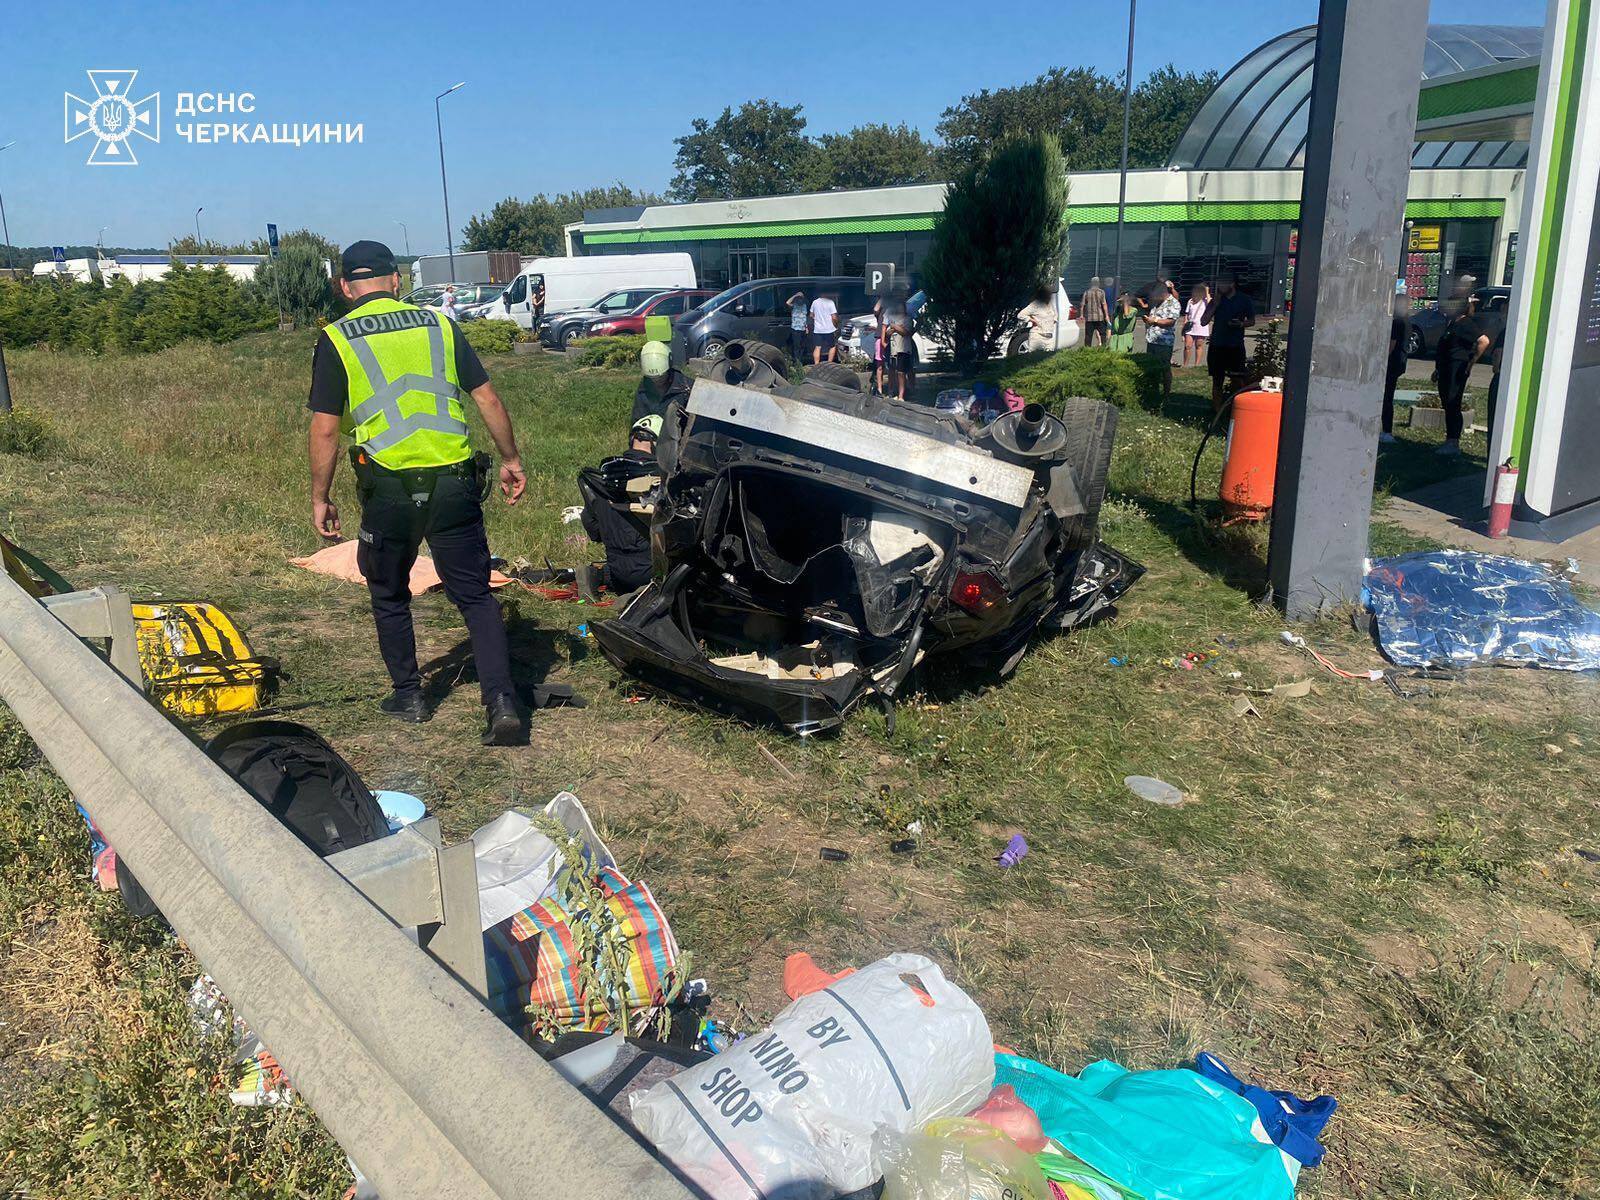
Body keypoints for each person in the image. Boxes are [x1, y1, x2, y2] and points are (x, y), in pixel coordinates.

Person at [306, 241, 526, 745]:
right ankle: (502, 701)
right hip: (454, 483)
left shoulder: (336, 338)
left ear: (345, 287)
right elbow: (486, 397)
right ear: (397, 280)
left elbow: (324, 429)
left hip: (389, 488)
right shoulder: (440, 323)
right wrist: (511, 459)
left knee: (387, 590)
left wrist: (321, 496)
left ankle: (409, 695)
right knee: (474, 594)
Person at [577, 415, 660, 600]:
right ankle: (641, 595)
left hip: (617, 569)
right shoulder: (661, 478)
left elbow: (592, 527)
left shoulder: (604, 478)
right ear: (659, 443)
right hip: (651, 572)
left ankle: (599, 576)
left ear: (631, 440)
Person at [1434, 293, 1491, 457]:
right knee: (1447, 403)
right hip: (1445, 368)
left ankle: (1453, 442)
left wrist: (1472, 361)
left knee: (1453, 403)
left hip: (1457, 368)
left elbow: (1484, 341)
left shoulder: (1466, 323)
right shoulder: (1452, 323)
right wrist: (1437, 370)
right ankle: (1449, 440)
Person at [1202, 273, 1256, 413]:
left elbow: (1252, 320)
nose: (1220, 286)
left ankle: (1237, 409)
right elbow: (1203, 321)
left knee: (1237, 379)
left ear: (1232, 284)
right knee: (1217, 380)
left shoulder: (1244, 300)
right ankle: (1216, 411)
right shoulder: (1216, 301)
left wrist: (1240, 324)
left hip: (1235, 345)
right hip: (1217, 345)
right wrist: (1215, 305)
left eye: (1222, 283)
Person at [633, 339, 691, 424]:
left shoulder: (686, 388)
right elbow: (637, 420)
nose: (656, 381)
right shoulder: (643, 390)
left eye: (661, 377)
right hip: (651, 435)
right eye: (652, 378)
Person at [1142, 285, 1181, 399]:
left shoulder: (1173, 303)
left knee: (1164, 368)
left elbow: (1170, 321)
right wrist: (1148, 320)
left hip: (1164, 342)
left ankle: (1166, 394)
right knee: (1152, 367)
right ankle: (1153, 391)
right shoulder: (1156, 303)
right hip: (1152, 340)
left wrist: (1154, 321)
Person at [1381, 293, 1410, 444]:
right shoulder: (1406, 321)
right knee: (1387, 396)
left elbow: (1391, 346)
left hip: (1391, 364)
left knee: (1386, 397)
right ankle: (1386, 430)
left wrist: (1381, 360)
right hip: (1399, 363)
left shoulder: (1397, 323)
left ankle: (1387, 431)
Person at [885, 296, 916, 401]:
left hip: (904, 349)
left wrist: (894, 327)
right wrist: (896, 327)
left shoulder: (907, 319)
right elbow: (887, 333)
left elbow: (905, 332)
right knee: (895, 371)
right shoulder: (894, 320)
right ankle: (897, 392)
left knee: (903, 372)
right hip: (894, 350)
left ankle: (902, 395)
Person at [1021, 288, 1058, 353]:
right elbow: (1021, 315)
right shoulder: (1035, 304)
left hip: (1049, 338)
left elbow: (1055, 314)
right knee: (1034, 360)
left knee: (1048, 360)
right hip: (1037, 337)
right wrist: (1032, 320)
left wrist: (1052, 321)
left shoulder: (1050, 304)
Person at [1183, 284, 1211, 367]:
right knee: (1188, 345)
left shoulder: (1206, 300)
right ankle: (1185, 364)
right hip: (1191, 326)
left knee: (1199, 345)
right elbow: (1187, 314)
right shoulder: (1191, 301)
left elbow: (1210, 304)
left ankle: (1196, 365)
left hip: (1201, 326)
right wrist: (1185, 324)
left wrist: (1207, 292)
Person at [810, 291, 840, 364]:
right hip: (829, 329)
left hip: (818, 329)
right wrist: (836, 325)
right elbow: (834, 317)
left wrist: (816, 319)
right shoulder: (830, 302)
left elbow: (811, 315)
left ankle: (816, 364)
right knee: (832, 346)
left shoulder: (815, 302)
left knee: (817, 347)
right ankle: (829, 363)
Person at [1080, 277, 1110, 347]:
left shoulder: (1086, 292)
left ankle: (1087, 350)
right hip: (1100, 317)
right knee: (1103, 334)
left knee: (1088, 335)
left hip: (1089, 318)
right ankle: (1103, 348)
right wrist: (1106, 315)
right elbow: (1104, 304)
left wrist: (1081, 315)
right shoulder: (1101, 292)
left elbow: (1082, 304)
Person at [786, 289, 809, 363]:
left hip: (803, 329)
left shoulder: (805, 306)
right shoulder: (793, 306)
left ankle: (800, 361)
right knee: (796, 346)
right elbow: (787, 302)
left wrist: (806, 327)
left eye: (801, 298)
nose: (800, 299)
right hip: (795, 329)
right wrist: (796, 295)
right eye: (799, 298)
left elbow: (805, 317)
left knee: (802, 346)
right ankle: (796, 362)